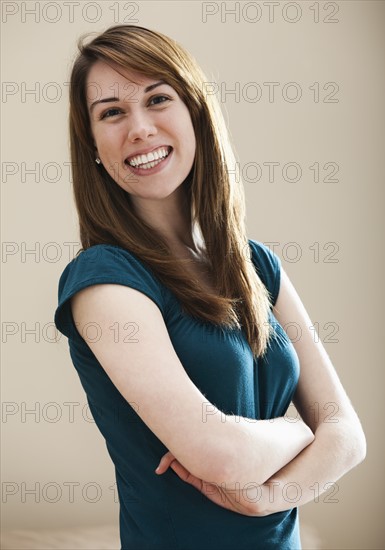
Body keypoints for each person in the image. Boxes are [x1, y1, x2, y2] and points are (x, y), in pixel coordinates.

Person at [54, 24, 366, 550]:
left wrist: (268, 496)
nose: (140, 128)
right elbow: (219, 456)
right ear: (93, 147)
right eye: (111, 112)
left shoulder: (256, 263)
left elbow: (350, 438)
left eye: (158, 99)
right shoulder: (103, 279)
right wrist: (299, 431)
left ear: (196, 112)